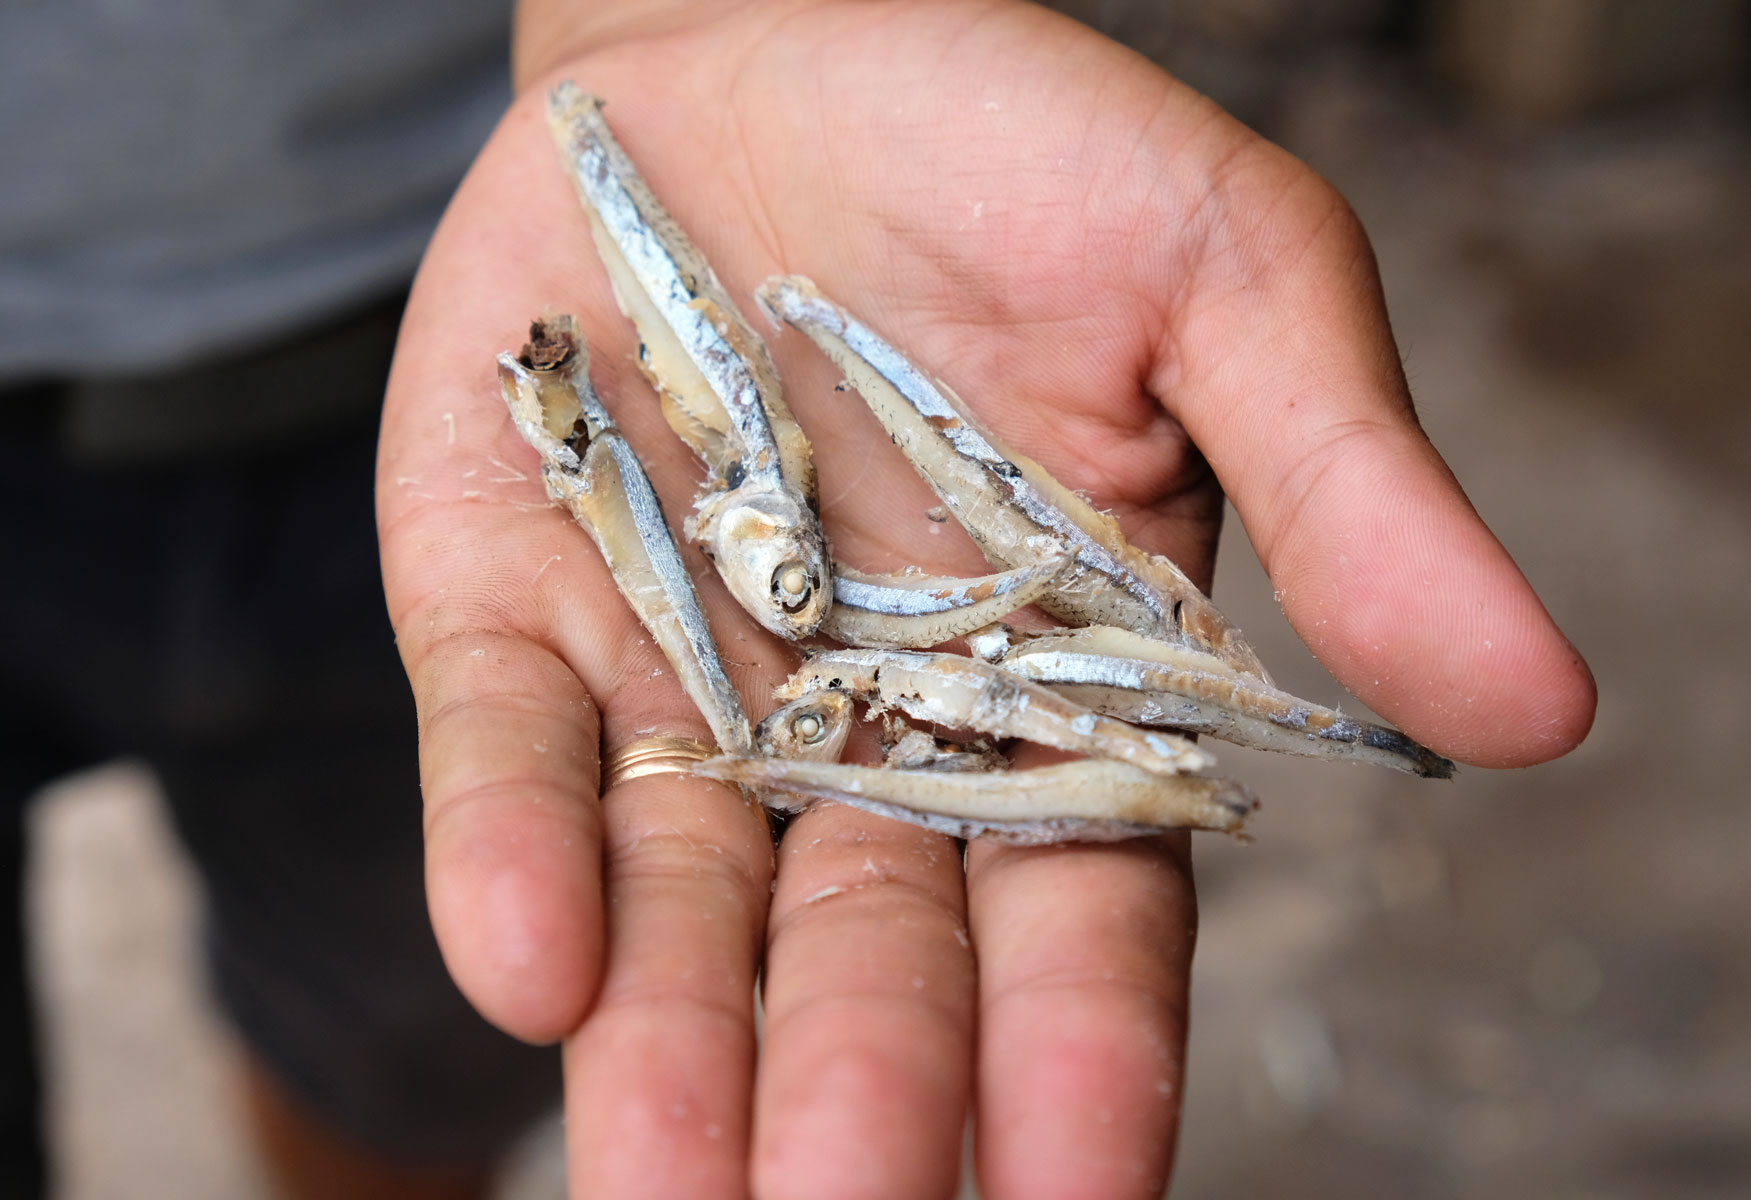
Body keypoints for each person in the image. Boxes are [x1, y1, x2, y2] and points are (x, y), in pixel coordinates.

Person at [7, 1, 1598, 1198]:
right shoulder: (745, 532)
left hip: (377, 298)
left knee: (401, 1031)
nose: (794, 595)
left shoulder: (751, 522)